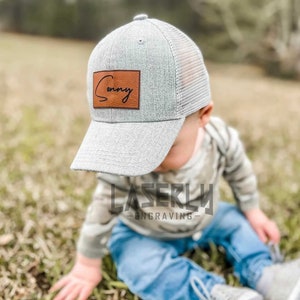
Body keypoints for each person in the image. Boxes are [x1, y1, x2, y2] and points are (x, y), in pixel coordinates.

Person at [50, 14, 300, 300]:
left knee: (239, 224)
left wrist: (252, 209)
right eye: (124, 143)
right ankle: (212, 292)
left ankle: (267, 274)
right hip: (143, 231)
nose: (138, 157)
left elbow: (240, 172)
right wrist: (86, 266)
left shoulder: (220, 140)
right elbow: (102, 211)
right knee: (136, 261)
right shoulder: (122, 165)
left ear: (203, 115)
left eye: (159, 146)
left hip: (206, 216)